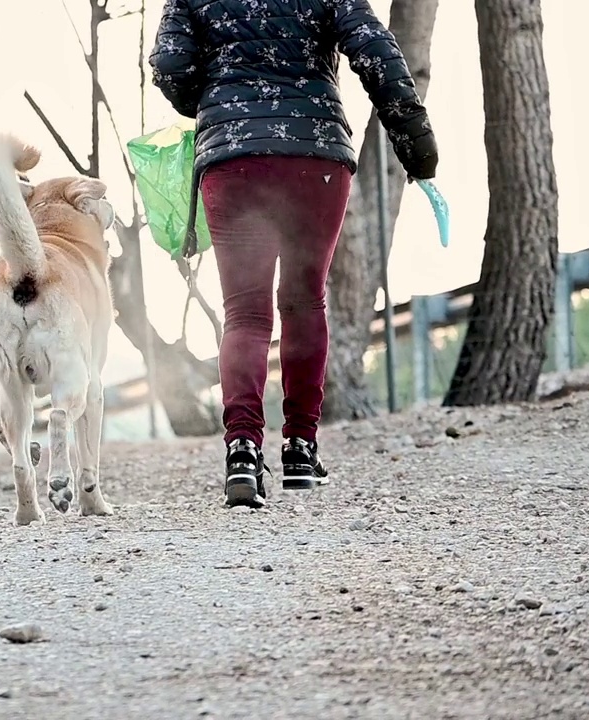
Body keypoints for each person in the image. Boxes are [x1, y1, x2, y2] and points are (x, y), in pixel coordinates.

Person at [149, 0, 439, 507]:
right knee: (305, 302)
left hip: (233, 157)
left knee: (244, 312)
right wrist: (415, 142)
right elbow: (375, 49)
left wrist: (216, 96)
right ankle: (301, 450)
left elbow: (171, 64)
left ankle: (242, 449)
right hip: (315, 152)